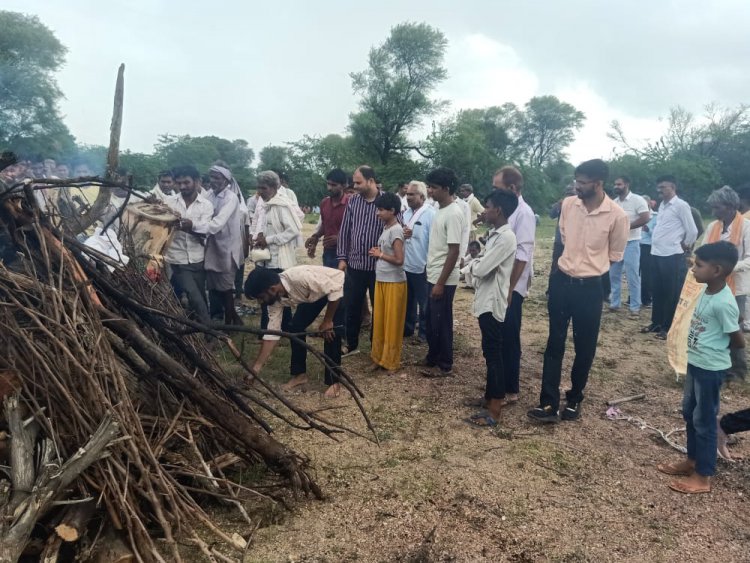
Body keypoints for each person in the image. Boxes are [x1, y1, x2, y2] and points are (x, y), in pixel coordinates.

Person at [528, 159, 629, 423]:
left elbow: (615, 254)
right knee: (554, 343)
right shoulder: (569, 205)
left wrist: (589, 264)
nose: (578, 187)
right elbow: (563, 238)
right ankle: (547, 403)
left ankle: (574, 400)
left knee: (584, 348)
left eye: (583, 183)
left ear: (598, 183)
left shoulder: (617, 215)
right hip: (562, 282)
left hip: (591, 288)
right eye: (577, 182)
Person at [656, 241, 744, 494]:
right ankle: (692, 460)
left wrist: (717, 355)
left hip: (710, 369)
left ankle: (703, 477)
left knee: (704, 421)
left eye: (699, 265)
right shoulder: (707, 291)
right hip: (696, 363)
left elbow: (737, 340)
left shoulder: (724, 303)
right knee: (689, 413)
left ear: (716, 270)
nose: (693, 269)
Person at [245, 266, 346, 398]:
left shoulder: (300, 277)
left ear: (272, 289)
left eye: (260, 297)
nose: (260, 302)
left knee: (330, 332)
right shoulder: (274, 300)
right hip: (312, 294)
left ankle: (334, 382)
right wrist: (255, 369)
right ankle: (300, 375)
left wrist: (327, 320)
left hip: (337, 286)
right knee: (295, 328)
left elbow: (335, 288)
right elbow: (272, 334)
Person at [463, 189, 518, 427]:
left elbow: (483, 268)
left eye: (487, 206)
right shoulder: (495, 234)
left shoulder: (506, 238)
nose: (484, 211)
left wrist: (473, 265)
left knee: (494, 354)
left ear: (499, 210)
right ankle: (488, 399)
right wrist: (477, 264)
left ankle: (495, 410)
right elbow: (482, 264)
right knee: (489, 351)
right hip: (485, 299)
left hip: (493, 302)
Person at [494, 165, 535, 405]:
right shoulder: (508, 210)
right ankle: (497, 384)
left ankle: (510, 389)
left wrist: (509, 288)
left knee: (509, 336)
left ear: (512, 187)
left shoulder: (524, 213)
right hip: (501, 283)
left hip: (512, 286)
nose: (494, 192)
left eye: (497, 187)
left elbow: (523, 254)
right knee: (498, 334)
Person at [419, 167, 466, 377]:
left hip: (443, 278)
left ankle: (444, 364)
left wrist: (440, 282)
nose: (430, 191)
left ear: (446, 189)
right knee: (430, 319)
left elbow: (454, 251)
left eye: (434, 187)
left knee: (442, 321)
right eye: (429, 186)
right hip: (434, 273)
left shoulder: (454, 213)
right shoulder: (440, 209)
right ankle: (433, 356)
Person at [336, 165, 385, 356]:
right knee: (352, 306)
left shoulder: (388, 200)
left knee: (378, 307)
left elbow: (397, 227)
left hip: (379, 266)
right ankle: (351, 344)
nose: (354, 186)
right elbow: (345, 231)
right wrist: (342, 258)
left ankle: (376, 346)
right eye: (354, 183)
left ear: (371, 181)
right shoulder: (353, 201)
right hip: (355, 266)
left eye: (358, 182)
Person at [642, 176, 698, 339]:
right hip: (657, 253)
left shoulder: (681, 205)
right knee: (658, 290)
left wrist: (685, 246)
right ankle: (656, 323)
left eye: (663, 187)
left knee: (672, 293)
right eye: (658, 187)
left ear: (673, 187)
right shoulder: (663, 205)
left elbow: (692, 231)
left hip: (672, 255)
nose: (660, 190)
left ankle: (668, 328)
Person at [252, 170, 302, 332]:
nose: (260, 192)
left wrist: (269, 239)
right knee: (270, 294)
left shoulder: (282, 204)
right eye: (259, 188)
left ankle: (282, 329)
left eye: (264, 188)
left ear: (274, 187)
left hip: (281, 257)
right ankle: (272, 330)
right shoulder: (267, 204)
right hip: (268, 257)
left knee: (279, 295)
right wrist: (260, 236)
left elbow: (293, 230)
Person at [163, 165, 214, 325]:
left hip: (198, 258)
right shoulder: (169, 202)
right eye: (179, 183)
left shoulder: (206, 205)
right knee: (194, 296)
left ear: (197, 182)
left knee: (199, 296)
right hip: (177, 258)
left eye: (186, 182)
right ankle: (210, 333)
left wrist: (190, 226)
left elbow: (207, 229)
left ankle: (197, 326)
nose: (183, 186)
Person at [195, 165, 244, 325]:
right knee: (214, 287)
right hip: (212, 247)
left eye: (217, 178)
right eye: (212, 177)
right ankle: (232, 319)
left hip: (226, 248)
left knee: (226, 288)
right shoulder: (209, 195)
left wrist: (193, 227)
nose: (214, 181)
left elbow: (217, 224)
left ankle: (229, 322)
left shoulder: (231, 198)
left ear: (226, 180)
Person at [702, 186, 750, 332]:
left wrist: (726, 268)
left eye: (717, 207)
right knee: (712, 327)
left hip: (736, 287)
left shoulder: (747, 227)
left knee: (734, 330)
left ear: (730, 207)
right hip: (712, 286)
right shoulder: (712, 226)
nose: (713, 212)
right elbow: (704, 252)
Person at [368, 192, 407, 372]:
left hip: (394, 282)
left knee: (391, 323)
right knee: (380, 321)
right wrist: (381, 252)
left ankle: (390, 361)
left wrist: (380, 254)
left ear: (392, 211)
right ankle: (378, 357)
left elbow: (399, 260)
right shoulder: (386, 228)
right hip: (382, 279)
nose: (378, 213)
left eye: (381, 210)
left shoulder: (397, 230)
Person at [609, 176, 650, 316]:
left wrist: (626, 227)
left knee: (632, 275)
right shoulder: (614, 202)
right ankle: (615, 303)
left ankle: (634, 307)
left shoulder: (638, 200)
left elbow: (645, 217)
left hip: (632, 242)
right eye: (615, 184)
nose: (616, 186)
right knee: (613, 274)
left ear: (627, 184)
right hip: (616, 243)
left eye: (619, 184)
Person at [402, 180, 436, 344]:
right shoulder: (406, 213)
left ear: (422, 196)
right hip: (406, 263)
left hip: (423, 264)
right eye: (407, 194)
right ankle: (408, 328)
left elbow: (433, 241)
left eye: (411, 194)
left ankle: (423, 333)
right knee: (408, 300)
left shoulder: (430, 214)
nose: (408, 197)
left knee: (424, 302)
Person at [306, 169, 349, 268]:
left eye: (334, 185)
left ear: (343, 186)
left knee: (343, 282)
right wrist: (315, 237)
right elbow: (325, 224)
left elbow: (357, 229)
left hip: (346, 253)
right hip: (328, 251)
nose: (329, 188)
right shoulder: (324, 203)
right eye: (328, 184)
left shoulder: (351, 204)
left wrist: (340, 239)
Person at [640, 198, 658, 307]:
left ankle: (647, 298)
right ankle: (634, 297)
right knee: (635, 274)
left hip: (648, 247)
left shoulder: (655, 216)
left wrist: (648, 230)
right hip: (637, 245)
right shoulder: (637, 215)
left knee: (647, 274)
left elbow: (658, 235)